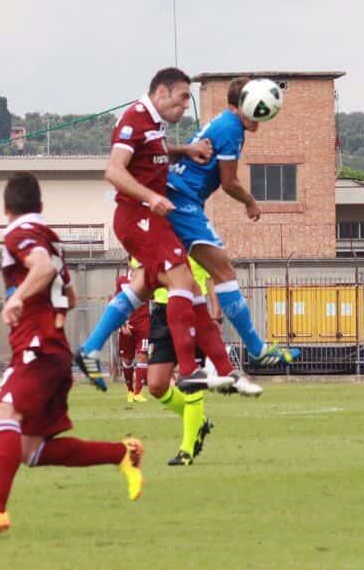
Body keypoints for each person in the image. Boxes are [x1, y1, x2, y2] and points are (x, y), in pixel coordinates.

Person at [0, 172, 144, 534]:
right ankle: (123, 453)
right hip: (52, 350)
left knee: (4, 414)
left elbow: (40, 268)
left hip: (37, 350)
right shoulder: (52, 239)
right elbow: (68, 297)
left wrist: (19, 300)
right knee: (31, 450)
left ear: (6, 208)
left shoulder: (19, 234)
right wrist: (41, 306)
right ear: (40, 205)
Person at [75, 67, 236, 395]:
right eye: (182, 98)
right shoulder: (134, 119)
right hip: (138, 217)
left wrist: (185, 151)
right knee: (183, 282)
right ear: (162, 93)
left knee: (142, 287)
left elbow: (154, 155)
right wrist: (150, 196)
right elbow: (113, 170)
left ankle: (89, 349)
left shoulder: (154, 123)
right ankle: (190, 370)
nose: (184, 106)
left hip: (151, 218)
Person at [166, 76, 299, 369]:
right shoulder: (231, 129)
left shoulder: (228, 123)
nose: (259, 119)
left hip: (179, 198)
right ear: (239, 106)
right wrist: (250, 201)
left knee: (157, 284)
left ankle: (92, 348)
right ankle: (256, 348)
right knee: (223, 270)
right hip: (181, 201)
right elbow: (229, 182)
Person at [146, 256, 244, 467]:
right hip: (162, 313)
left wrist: (216, 315)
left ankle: (187, 450)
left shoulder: (193, 243)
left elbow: (211, 279)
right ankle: (199, 421)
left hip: (192, 311)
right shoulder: (155, 244)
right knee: (156, 385)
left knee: (192, 380)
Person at [115, 259, 150, 403]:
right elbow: (118, 302)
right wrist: (122, 324)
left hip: (143, 323)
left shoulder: (148, 278)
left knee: (142, 355)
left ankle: (138, 392)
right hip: (127, 324)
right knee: (127, 359)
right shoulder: (122, 280)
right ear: (129, 262)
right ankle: (129, 390)